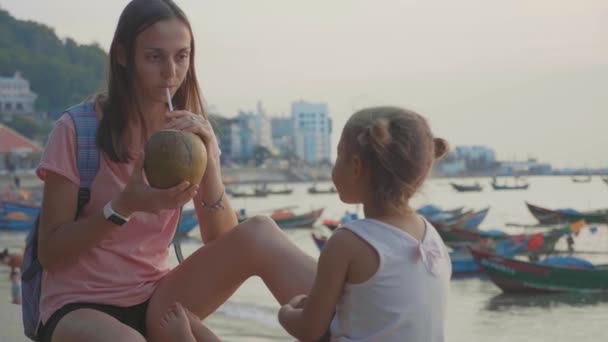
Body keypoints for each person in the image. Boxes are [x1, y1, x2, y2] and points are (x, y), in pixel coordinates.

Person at [34, 1, 315, 341]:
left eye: (181, 56)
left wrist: (209, 160)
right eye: (155, 57)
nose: (171, 72)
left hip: (156, 296)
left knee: (259, 231)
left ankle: (354, 321)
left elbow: (222, 241)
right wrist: (123, 206)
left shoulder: (189, 133)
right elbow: (50, 252)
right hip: (79, 304)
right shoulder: (77, 130)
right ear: (123, 56)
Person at [278, 106, 452, 341]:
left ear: (356, 167)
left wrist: (285, 312)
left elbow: (308, 331)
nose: (335, 164)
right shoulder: (432, 237)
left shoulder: (347, 242)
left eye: (339, 155)